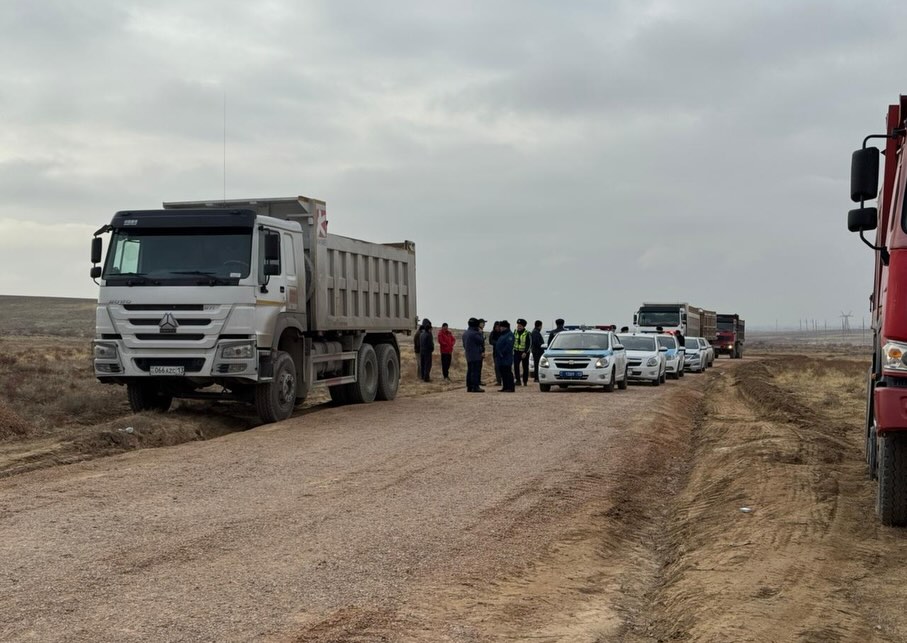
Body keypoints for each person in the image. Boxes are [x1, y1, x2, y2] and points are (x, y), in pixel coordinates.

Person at [462, 317, 485, 392]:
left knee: (470, 371)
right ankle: (475, 387)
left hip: (468, 354)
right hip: (476, 355)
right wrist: (480, 333)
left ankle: (469, 386)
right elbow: (481, 341)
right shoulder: (475, 333)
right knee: (475, 371)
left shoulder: (465, 333)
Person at [495, 320, 515, 392]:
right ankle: (505, 386)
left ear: (505, 327)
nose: (500, 328)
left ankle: (510, 387)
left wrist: (502, 353)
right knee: (503, 373)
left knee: (508, 372)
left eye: (501, 327)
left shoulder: (509, 335)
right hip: (500, 358)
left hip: (506, 357)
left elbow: (508, 346)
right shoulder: (502, 335)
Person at [513, 318, 531, 386]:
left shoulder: (527, 333)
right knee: (516, 366)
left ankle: (525, 381)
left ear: (523, 326)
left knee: (525, 367)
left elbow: (529, 344)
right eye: (518, 325)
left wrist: (525, 352)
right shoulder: (515, 332)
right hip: (516, 352)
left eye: (520, 326)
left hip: (524, 353)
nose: (518, 327)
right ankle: (518, 380)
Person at [488, 321, 503, 386]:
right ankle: (498, 381)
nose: (497, 328)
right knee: (497, 367)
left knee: (503, 367)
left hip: (503, 352)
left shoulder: (503, 333)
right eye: (496, 327)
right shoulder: (493, 333)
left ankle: (504, 380)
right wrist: (497, 343)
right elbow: (490, 341)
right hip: (496, 352)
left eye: (498, 327)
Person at [477, 318, 488, 385]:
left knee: (479, 367)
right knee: (477, 367)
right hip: (479, 352)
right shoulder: (478, 331)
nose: (484, 324)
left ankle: (478, 380)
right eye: (482, 323)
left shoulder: (481, 331)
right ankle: (477, 381)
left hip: (481, 351)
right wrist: (481, 351)